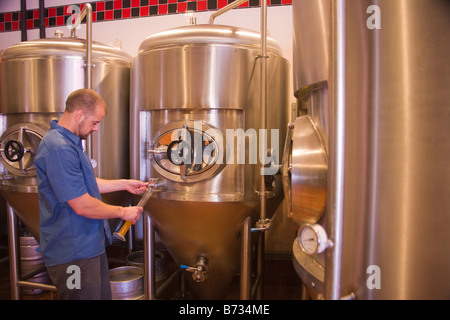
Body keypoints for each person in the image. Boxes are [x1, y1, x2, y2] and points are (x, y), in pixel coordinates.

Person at [34, 88, 147, 300]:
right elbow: (82, 204)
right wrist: (123, 212)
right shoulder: (59, 148)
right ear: (79, 115)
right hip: (72, 255)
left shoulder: (70, 143)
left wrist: (125, 184)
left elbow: (83, 183)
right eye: (95, 122)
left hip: (88, 248)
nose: (96, 129)